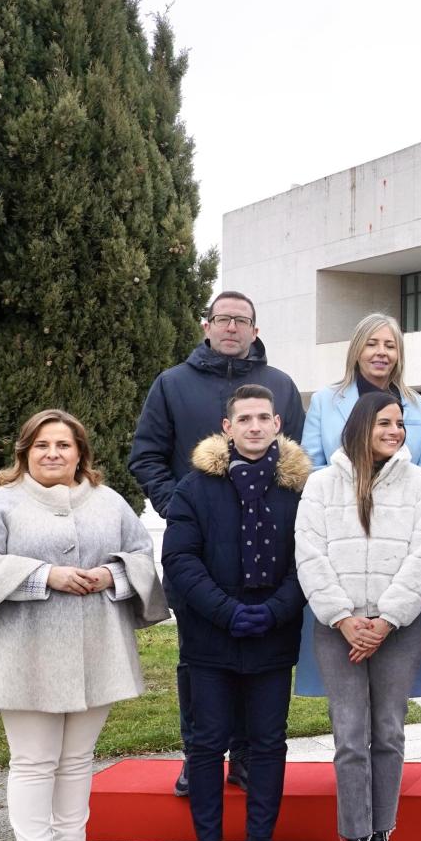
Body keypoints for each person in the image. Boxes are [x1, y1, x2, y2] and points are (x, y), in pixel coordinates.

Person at [0, 410, 168, 841]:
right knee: (35, 762)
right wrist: (44, 575)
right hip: (23, 654)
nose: (53, 453)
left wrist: (111, 575)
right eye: (42, 445)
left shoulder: (109, 503)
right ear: (25, 452)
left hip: (96, 652)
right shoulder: (2, 502)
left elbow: (142, 556)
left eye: (64, 444)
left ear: (81, 452)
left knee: (79, 761)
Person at [129, 289, 305, 797]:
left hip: (268, 552)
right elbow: (146, 456)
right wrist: (182, 506)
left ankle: (249, 756)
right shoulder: (172, 384)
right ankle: (199, 755)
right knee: (198, 662)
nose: (231, 327)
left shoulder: (281, 387)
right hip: (201, 555)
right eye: (222, 319)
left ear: (255, 329)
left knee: (266, 662)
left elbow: (292, 459)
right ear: (206, 326)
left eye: (242, 320)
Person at [162, 384, 312, 841]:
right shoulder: (194, 488)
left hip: (273, 634)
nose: (254, 426)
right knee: (207, 745)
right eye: (243, 418)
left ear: (276, 425)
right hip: (211, 639)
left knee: (269, 743)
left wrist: (274, 612)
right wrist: (227, 612)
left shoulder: (298, 490)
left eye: (262, 418)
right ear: (227, 428)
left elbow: (309, 560)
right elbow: (180, 560)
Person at [295, 392, 421, 841]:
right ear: (361, 425)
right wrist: (342, 618)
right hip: (337, 631)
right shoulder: (320, 485)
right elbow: (309, 554)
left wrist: (385, 620)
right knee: (350, 736)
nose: (395, 431)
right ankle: (354, 840)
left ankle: (384, 833)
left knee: (389, 732)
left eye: (400, 423)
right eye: (385, 422)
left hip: (396, 630)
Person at [295, 313, 421, 708]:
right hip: (340, 548)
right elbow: (312, 467)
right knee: (345, 692)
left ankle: (384, 762)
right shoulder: (326, 401)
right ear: (356, 349)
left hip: (397, 554)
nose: (380, 353)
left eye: (389, 345)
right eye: (372, 343)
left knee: (393, 692)